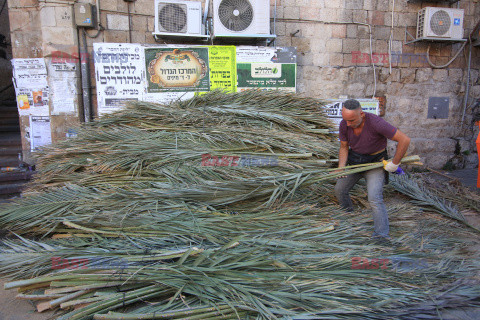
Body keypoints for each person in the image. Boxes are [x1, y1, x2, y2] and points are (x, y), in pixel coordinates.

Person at [334, 99, 410, 240]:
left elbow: (404, 140)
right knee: (340, 190)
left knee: (374, 198)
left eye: (351, 120)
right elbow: (344, 147)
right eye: (346, 120)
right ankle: (349, 219)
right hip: (356, 162)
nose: (348, 124)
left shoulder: (376, 123)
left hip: (375, 163)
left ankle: (381, 235)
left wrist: (394, 163)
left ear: (361, 114)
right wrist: (341, 167)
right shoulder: (345, 124)